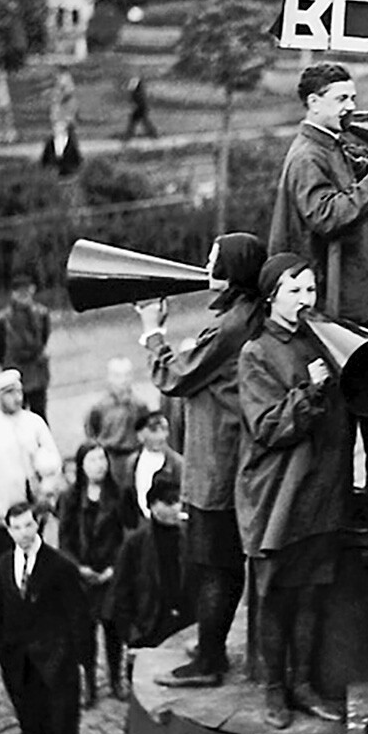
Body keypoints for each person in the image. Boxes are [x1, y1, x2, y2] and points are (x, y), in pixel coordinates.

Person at [139, 231, 267, 687]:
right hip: (231, 459)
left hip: (218, 463)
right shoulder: (246, 315)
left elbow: (175, 377)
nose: (207, 264)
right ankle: (211, 647)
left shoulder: (231, 325)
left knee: (215, 564)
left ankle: (209, 660)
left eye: (214, 258)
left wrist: (154, 332)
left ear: (231, 270)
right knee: (223, 563)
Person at [236, 253, 353, 728]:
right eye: (296, 291)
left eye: (311, 290)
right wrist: (309, 389)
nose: (307, 299)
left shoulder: (321, 337)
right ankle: (273, 690)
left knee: (311, 591)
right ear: (272, 296)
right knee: (275, 595)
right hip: (277, 494)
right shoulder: (256, 353)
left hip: (320, 488)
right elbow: (267, 426)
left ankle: (302, 683)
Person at [268, 62, 368, 325]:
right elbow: (327, 216)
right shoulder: (308, 156)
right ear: (314, 102)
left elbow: (363, 184)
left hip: (342, 291)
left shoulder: (329, 145)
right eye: (341, 99)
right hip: (331, 296)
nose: (350, 106)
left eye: (352, 98)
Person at [0, 501, 87, 734]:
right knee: (33, 733)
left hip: (55, 666)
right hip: (21, 668)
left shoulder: (60, 566)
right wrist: (5, 655)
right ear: (8, 531)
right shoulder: (3, 566)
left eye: (28, 525)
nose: (23, 532)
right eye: (17, 527)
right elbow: (0, 614)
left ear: (37, 525)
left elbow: (79, 617)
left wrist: (74, 659)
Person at [57, 444, 126, 705]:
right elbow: (64, 541)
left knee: (113, 630)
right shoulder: (70, 498)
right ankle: (89, 684)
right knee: (83, 633)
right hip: (81, 577)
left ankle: (116, 679)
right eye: (93, 459)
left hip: (110, 575)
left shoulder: (118, 494)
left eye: (102, 458)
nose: (100, 464)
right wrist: (78, 568)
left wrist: (113, 569)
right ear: (82, 465)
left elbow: (126, 536)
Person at [0, 369, 63, 559]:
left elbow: (52, 461)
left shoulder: (34, 423)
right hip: (3, 508)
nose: (17, 398)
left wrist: (47, 490)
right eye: (10, 394)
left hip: (34, 504)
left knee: (36, 552)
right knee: (6, 556)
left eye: (19, 392)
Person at [111, 475, 193, 659]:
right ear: (153, 505)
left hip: (184, 624)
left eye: (178, 502)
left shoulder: (189, 537)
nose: (175, 508)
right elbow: (121, 591)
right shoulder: (135, 543)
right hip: (149, 627)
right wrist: (131, 634)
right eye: (168, 503)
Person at [0, 271, 52, 422]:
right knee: (15, 418)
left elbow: (43, 339)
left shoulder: (42, 314)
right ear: (12, 294)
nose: (24, 294)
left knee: (39, 416)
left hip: (37, 373)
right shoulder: (1, 322)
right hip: (14, 374)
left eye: (27, 289)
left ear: (33, 290)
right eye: (19, 291)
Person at [84, 357, 152, 490]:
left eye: (126, 375)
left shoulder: (140, 406)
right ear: (109, 378)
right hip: (108, 458)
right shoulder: (99, 407)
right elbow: (91, 432)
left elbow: (146, 431)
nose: (123, 380)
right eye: (117, 376)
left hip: (132, 457)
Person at [119, 411, 184, 529]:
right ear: (141, 435)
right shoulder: (132, 462)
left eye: (164, 430)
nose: (161, 436)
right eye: (154, 430)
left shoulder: (177, 464)